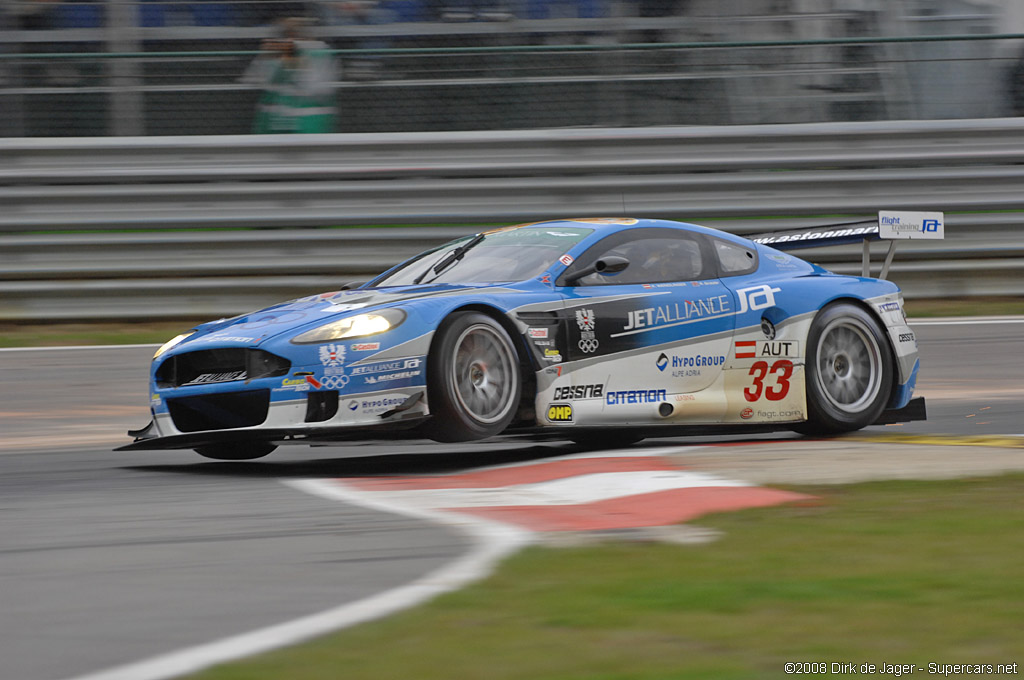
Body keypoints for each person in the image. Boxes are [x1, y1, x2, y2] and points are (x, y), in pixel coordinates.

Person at [241, 17, 340, 133]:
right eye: (286, 36)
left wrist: (297, 64)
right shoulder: (275, 52)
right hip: (273, 123)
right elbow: (252, 79)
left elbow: (318, 88)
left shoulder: (320, 52)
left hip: (310, 124)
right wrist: (269, 57)